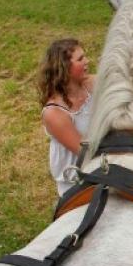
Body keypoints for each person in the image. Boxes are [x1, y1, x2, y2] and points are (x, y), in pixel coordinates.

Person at [37, 38, 95, 196]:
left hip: (105, 162)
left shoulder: (92, 84)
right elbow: (86, 152)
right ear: (65, 67)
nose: (87, 61)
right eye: (80, 59)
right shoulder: (54, 113)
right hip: (78, 182)